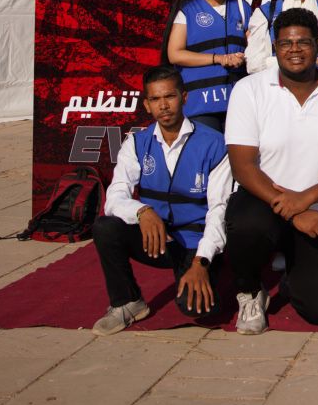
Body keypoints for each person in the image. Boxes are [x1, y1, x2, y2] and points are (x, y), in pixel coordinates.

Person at [222, 8, 318, 332]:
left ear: (317, 46)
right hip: (264, 205)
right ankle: (250, 291)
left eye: (303, 42)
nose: (294, 49)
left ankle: (294, 272)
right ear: (274, 47)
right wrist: (295, 211)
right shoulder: (249, 90)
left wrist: (306, 199)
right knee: (245, 224)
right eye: (285, 43)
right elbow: (243, 166)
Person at [91, 65, 230, 333]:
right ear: (147, 104)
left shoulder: (214, 144)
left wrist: (201, 261)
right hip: (157, 239)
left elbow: (219, 209)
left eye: (169, 96)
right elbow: (115, 197)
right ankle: (128, 302)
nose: (163, 106)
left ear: (184, 97)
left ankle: (218, 273)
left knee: (199, 311)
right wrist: (142, 211)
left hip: (195, 242)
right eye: (155, 99)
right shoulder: (136, 143)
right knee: (105, 227)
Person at [162, 0, 254, 133]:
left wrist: (244, 57)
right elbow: (174, 54)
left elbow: (255, 50)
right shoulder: (188, 11)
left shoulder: (242, 7)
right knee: (208, 150)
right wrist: (218, 58)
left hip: (238, 101)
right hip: (200, 105)